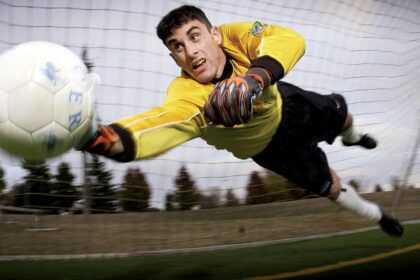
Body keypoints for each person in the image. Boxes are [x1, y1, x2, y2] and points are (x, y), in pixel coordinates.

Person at [78, 5, 403, 237]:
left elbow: (288, 39)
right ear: (173, 57)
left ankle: (352, 137)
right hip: (271, 150)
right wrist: (101, 138)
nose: (190, 52)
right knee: (329, 187)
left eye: (194, 37)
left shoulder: (238, 35)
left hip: (287, 104)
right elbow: (156, 124)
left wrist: (254, 79)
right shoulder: (186, 94)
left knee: (341, 115)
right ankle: (378, 215)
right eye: (177, 47)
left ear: (215, 35)